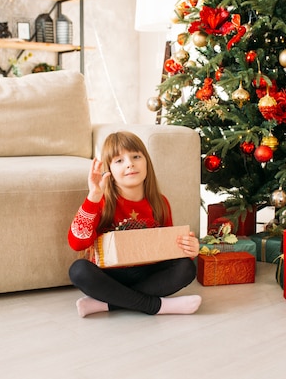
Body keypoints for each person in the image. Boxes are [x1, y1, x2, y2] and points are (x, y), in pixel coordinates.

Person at [67, 131, 202, 317]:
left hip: (146, 273)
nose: (130, 163)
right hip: (110, 276)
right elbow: (77, 243)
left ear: (146, 162)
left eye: (136, 156)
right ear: (110, 171)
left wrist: (189, 249)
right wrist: (93, 197)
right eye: (119, 161)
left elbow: (169, 250)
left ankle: (108, 303)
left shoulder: (160, 202)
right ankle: (157, 306)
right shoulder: (101, 201)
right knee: (78, 270)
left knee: (186, 268)